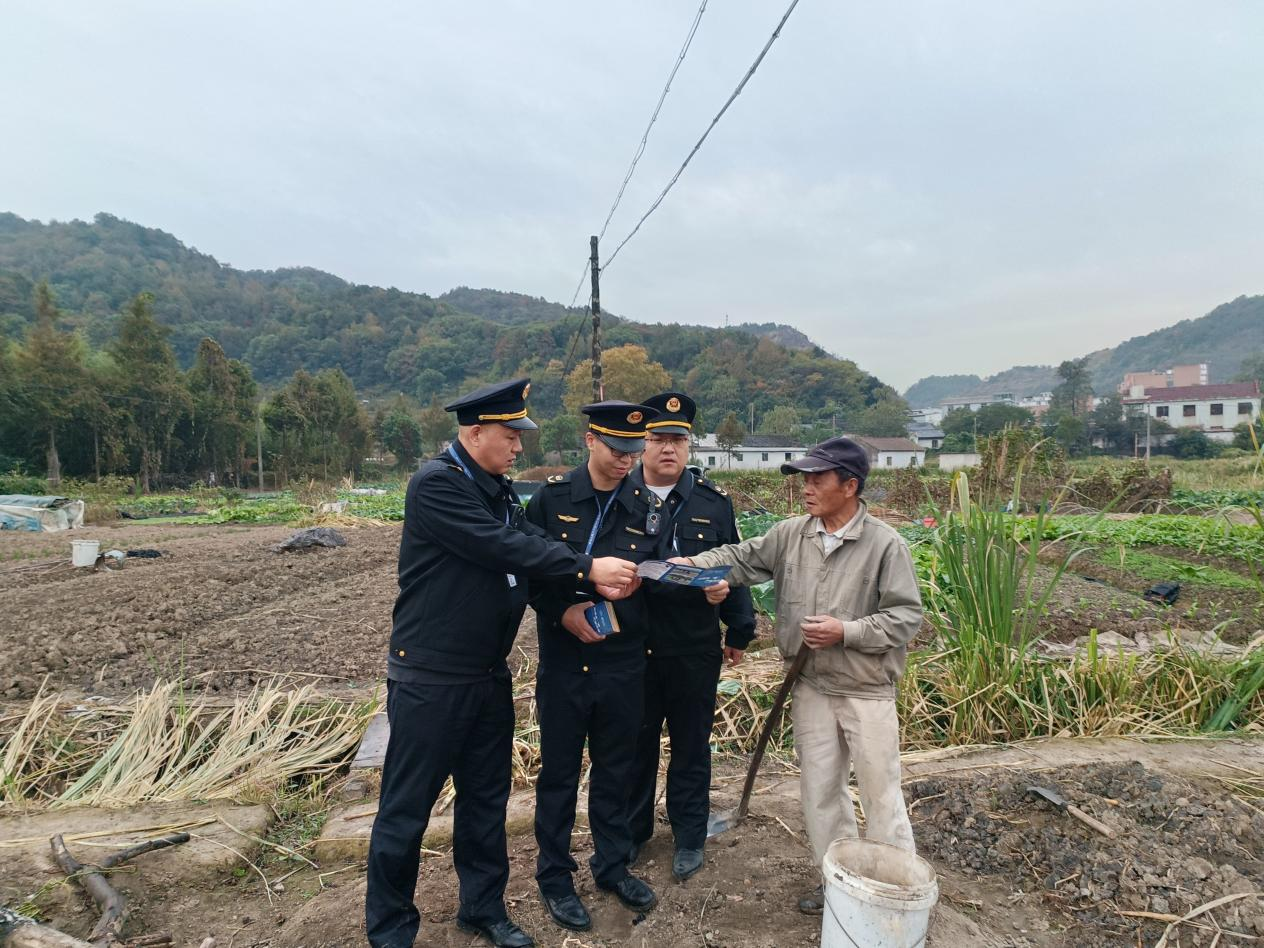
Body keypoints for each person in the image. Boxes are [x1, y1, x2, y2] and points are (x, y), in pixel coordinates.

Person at [365, 379, 640, 948]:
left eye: (520, 436)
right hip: (431, 677)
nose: (519, 447)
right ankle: (391, 929)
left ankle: (482, 908)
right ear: (473, 433)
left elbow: (532, 550)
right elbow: (504, 547)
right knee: (407, 808)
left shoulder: (497, 490)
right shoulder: (438, 486)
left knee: (486, 801)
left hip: (488, 674)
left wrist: (566, 602)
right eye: (510, 435)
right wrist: (588, 567)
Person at [679, 436, 923, 915]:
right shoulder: (793, 534)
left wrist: (846, 631)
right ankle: (841, 888)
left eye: (818, 479)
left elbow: (905, 617)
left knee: (881, 795)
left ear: (850, 486)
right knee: (820, 793)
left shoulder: (883, 545)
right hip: (811, 686)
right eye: (804, 479)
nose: (807, 488)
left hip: (866, 689)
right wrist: (684, 566)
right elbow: (740, 558)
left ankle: (894, 898)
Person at [524, 401, 664, 933]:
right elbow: (526, 573)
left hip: (624, 663)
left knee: (616, 770)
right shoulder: (551, 500)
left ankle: (611, 866)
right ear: (589, 441)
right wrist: (562, 610)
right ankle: (555, 877)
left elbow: (659, 573)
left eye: (634, 450)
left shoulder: (649, 508)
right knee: (559, 774)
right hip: (565, 661)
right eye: (616, 449)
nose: (626, 459)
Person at [626, 392, 756, 881]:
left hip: (693, 647)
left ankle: (687, 835)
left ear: (689, 446)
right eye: (658, 438)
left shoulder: (712, 503)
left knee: (690, 746)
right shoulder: (620, 495)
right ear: (642, 443)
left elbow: (734, 563)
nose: (668, 449)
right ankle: (634, 833)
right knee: (635, 746)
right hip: (634, 647)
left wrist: (739, 629)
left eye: (678, 440)